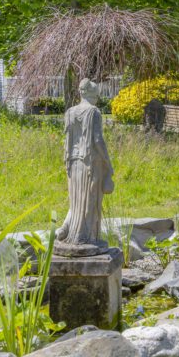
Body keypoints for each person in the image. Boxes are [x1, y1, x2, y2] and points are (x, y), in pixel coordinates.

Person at [55, 78, 114, 253]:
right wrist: (108, 163)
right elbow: (97, 140)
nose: (97, 99)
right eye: (97, 96)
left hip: (73, 162)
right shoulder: (93, 112)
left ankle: (70, 231)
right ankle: (86, 237)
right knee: (89, 199)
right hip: (90, 162)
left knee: (76, 198)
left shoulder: (70, 112)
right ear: (92, 95)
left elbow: (67, 140)